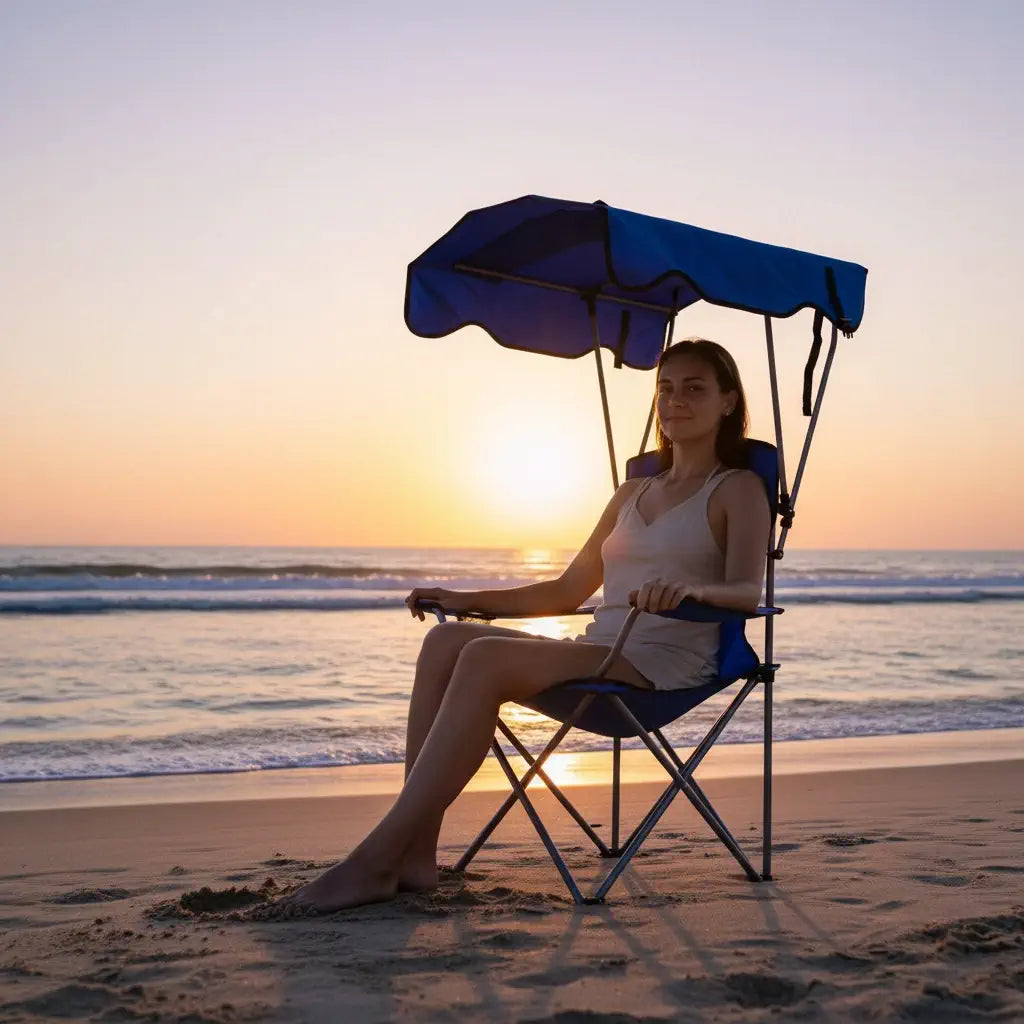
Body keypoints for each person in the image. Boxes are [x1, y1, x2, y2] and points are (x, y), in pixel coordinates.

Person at [291, 339, 771, 912]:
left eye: (694, 388)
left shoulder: (738, 488)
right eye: (665, 388)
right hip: (602, 647)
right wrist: (464, 599)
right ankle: (417, 853)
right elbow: (567, 590)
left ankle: (375, 859)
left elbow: (747, 592)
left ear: (727, 402)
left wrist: (693, 591)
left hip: (667, 661)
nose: (675, 400)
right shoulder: (631, 492)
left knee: (487, 659)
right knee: (447, 637)